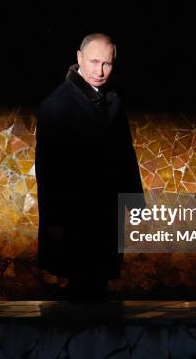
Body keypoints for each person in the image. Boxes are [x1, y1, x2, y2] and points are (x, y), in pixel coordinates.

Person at [35, 33, 144, 300]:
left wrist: (135, 202)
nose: (100, 71)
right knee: (80, 283)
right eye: (94, 62)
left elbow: (124, 153)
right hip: (76, 211)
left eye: (107, 64)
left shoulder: (111, 100)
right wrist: (55, 218)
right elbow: (48, 168)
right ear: (79, 58)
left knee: (97, 282)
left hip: (104, 209)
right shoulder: (58, 105)